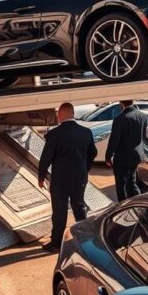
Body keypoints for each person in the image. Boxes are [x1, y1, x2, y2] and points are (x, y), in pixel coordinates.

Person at [37, 102, 96, 253]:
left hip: (60, 180)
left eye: (58, 113)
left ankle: (56, 243)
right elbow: (93, 153)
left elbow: (46, 158)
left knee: (59, 211)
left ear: (62, 114)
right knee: (79, 206)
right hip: (79, 177)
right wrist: (86, 168)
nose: (57, 116)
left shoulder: (54, 134)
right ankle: (85, 237)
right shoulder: (86, 132)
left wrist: (41, 176)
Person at [105, 100, 147, 201]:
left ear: (121, 103)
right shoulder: (143, 116)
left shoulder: (120, 119)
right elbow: (143, 136)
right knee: (132, 183)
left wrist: (108, 157)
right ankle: (139, 204)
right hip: (137, 156)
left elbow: (114, 140)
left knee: (121, 186)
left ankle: (123, 208)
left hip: (122, 158)